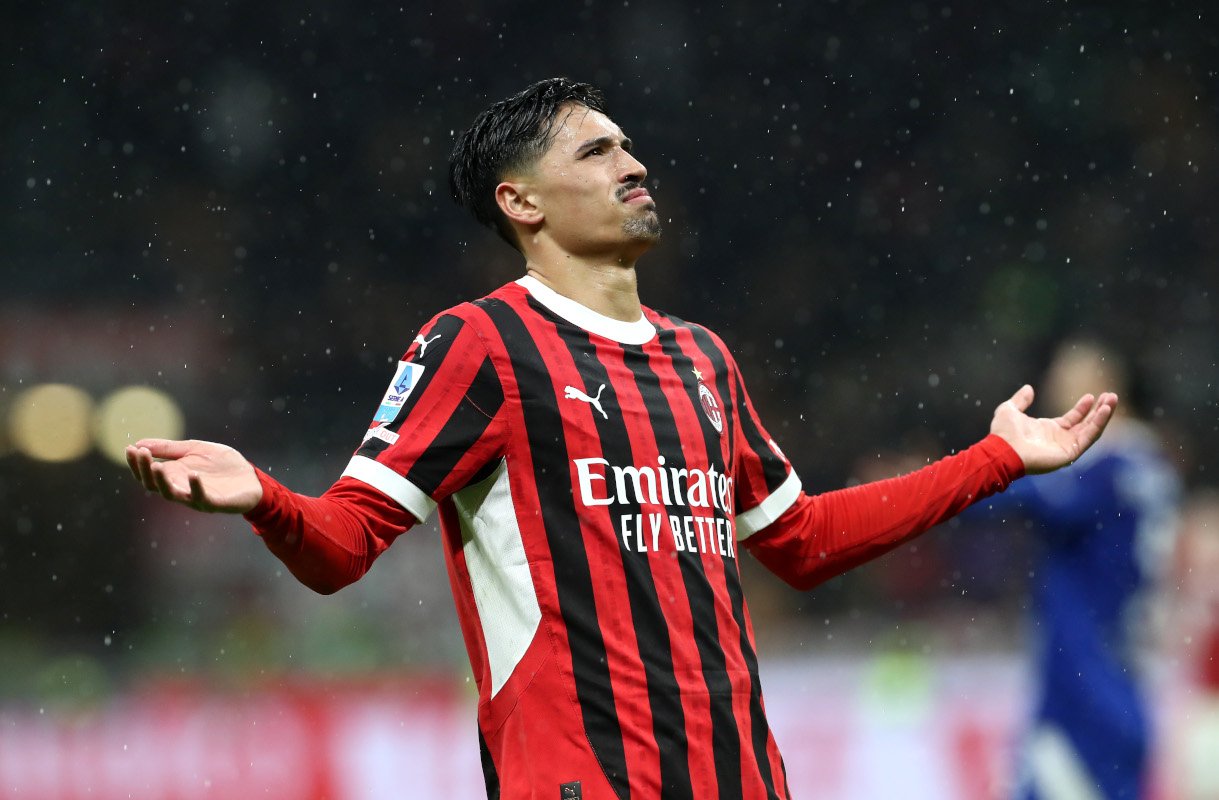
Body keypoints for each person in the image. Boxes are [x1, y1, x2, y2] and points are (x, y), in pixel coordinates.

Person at [126, 78, 1118, 800]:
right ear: (520, 201)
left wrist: (993, 459)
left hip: (739, 776)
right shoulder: (478, 344)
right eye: (594, 153)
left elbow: (802, 541)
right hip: (580, 778)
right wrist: (263, 493)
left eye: (628, 146)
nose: (633, 164)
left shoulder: (702, 358)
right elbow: (344, 543)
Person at [974, 340, 1180, 800]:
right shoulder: (1149, 466)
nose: (1054, 390)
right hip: (1122, 676)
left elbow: (1024, 497)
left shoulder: (1105, 469)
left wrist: (938, 484)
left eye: (1067, 379)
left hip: (1085, 689)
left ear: (1102, 389)